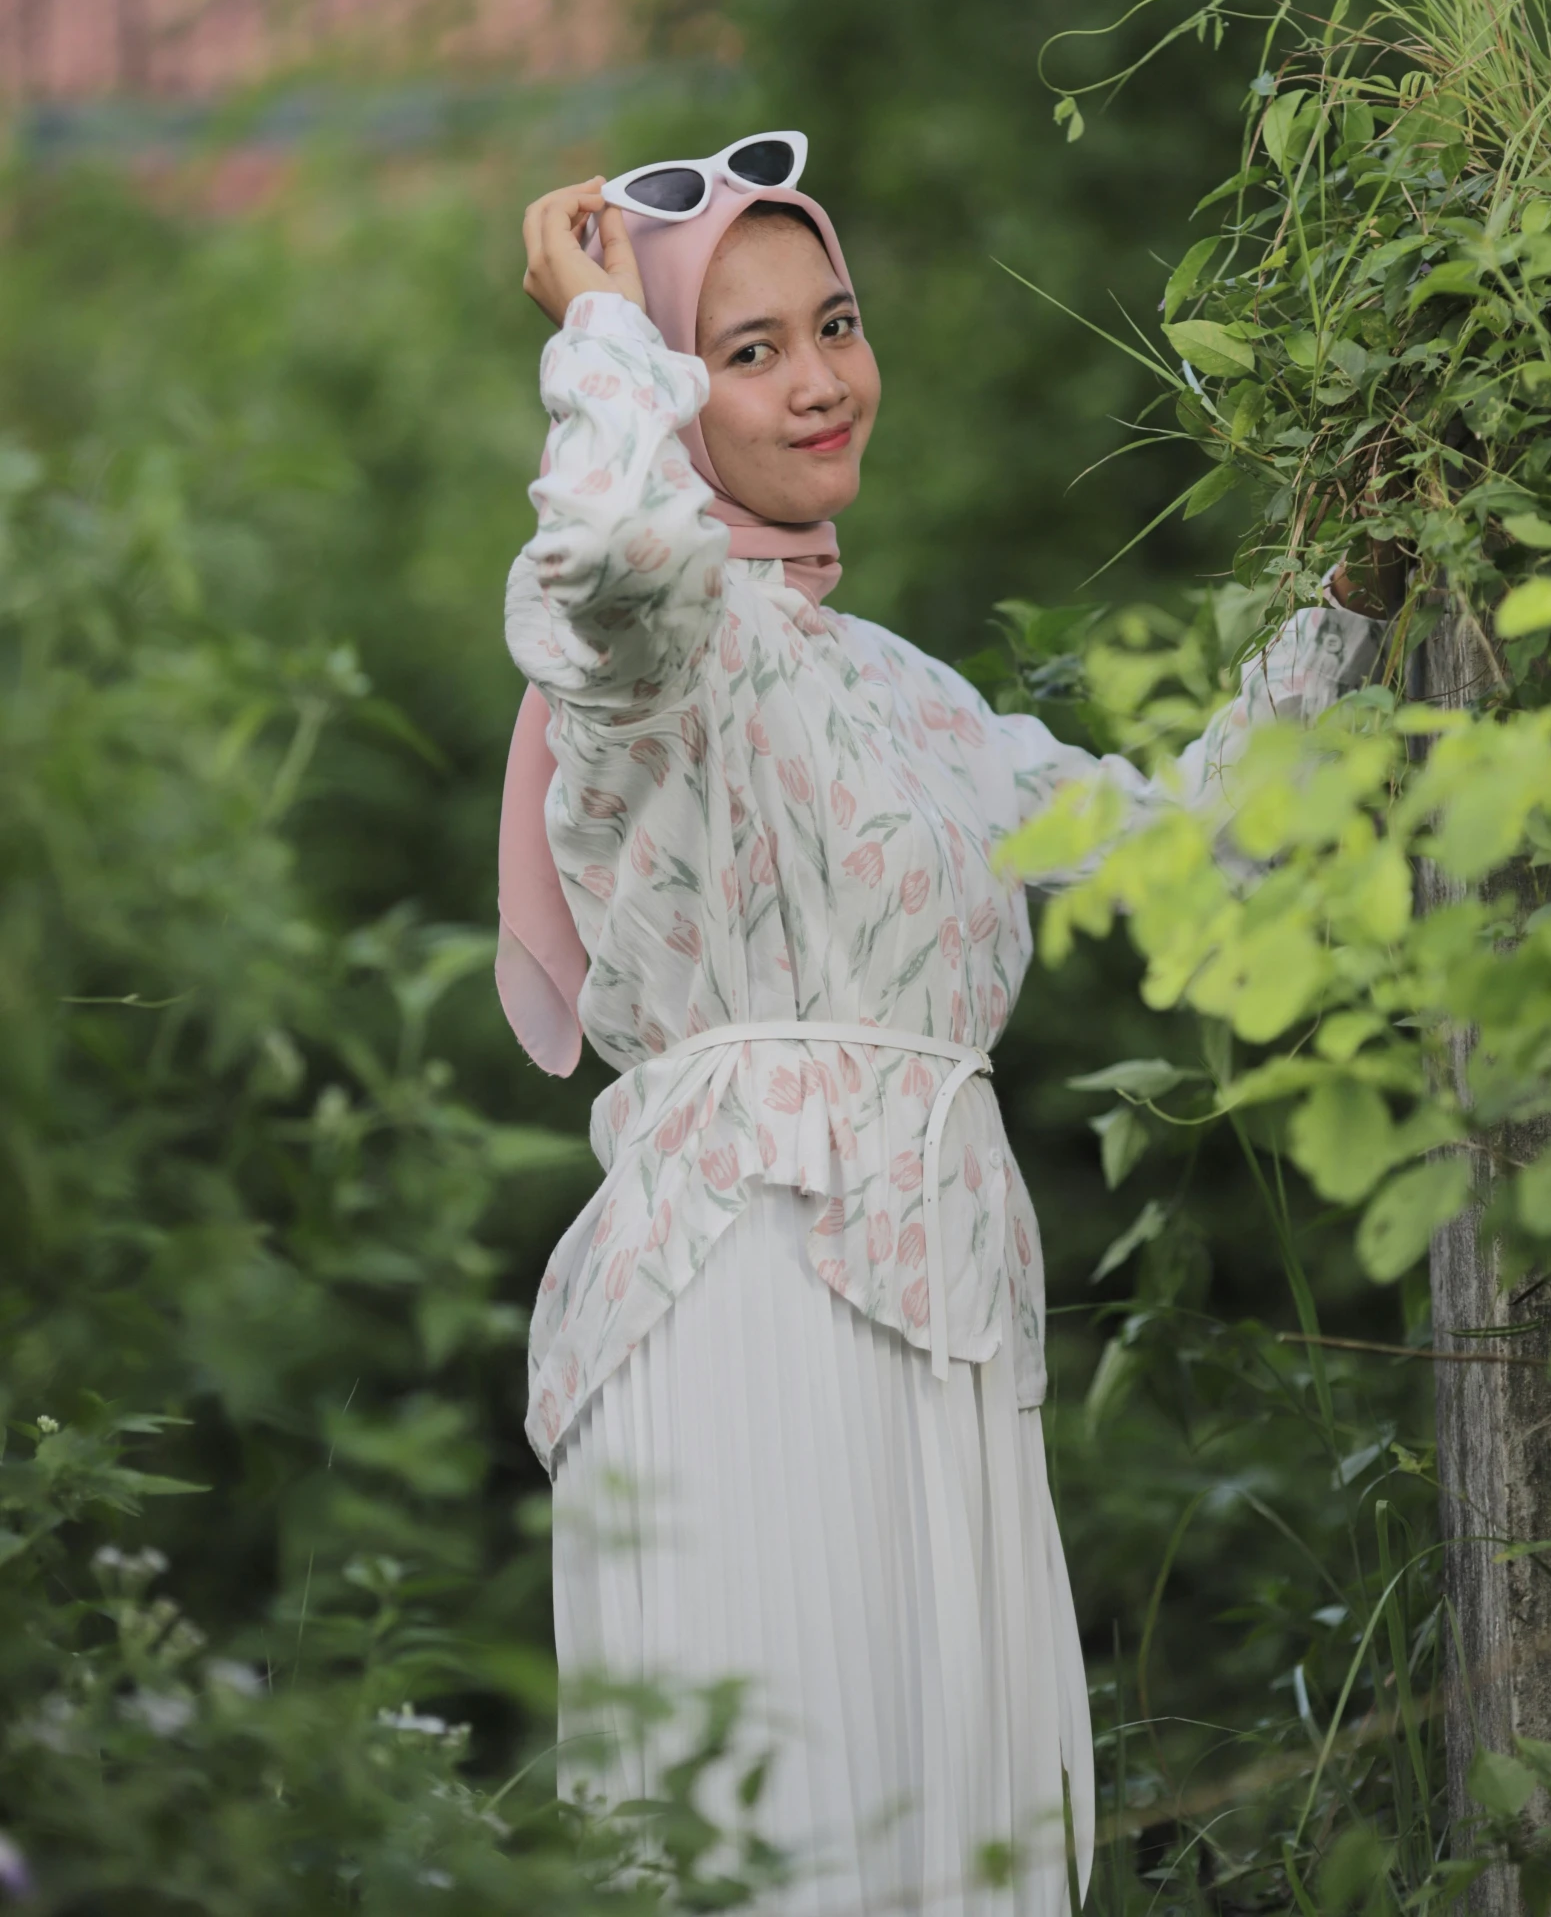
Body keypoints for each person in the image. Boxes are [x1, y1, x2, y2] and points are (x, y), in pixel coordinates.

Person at [498, 144, 1384, 1916]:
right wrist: (599, 324)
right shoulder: (654, 646)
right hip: (742, 1280)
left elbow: (1181, 838)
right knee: (800, 1834)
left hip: (938, 1297)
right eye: (742, 350)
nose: (818, 380)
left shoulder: (901, 688)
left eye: (832, 324)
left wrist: (1353, 596)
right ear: (669, 382)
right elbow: (607, 541)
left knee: (950, 1843)